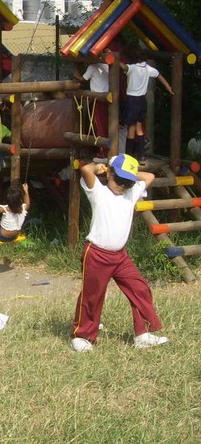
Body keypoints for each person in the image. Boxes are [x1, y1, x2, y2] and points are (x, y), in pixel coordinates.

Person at [69, 154, 167, 352]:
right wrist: (102, 168)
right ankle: (82, 336)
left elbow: (148, 177)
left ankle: (143, 334)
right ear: (110, 174)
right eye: (119, 180)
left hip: (120, 256)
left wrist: (130, 173)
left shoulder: (131, 193)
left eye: (127, 182)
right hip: (97, 253)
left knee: (140, 288)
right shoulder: (98, 191)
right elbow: (86, 170)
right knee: (92, 296)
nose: (122, 186)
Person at [119, 44, 173, 161]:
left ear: (131, 57)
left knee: (131, 129)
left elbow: (124, 68)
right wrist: (169, 87)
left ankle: (128, 156)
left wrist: (115, 59)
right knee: (139, 128)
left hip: (132, 100)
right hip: (142, 101)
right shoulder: (148, 68)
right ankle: (141, 155)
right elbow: (159, 75)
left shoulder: (132, 68)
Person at [74, 59, 110, 157]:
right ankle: (104, 149)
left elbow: (83, 79)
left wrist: (76, 73)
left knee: (98, 124)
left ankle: (103, 151)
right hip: (106, 99)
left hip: (97, 100)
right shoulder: (107, 66)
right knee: (105, 124)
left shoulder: (92, 67)